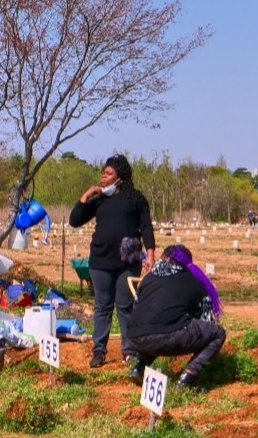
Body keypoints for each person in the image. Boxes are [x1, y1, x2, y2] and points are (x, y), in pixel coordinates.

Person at [69, 155, 155, 370]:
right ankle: (99, 350)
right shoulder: (99, 200)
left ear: (121, 178)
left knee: (125, 306)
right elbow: (74, 220)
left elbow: (146, 227)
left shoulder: (136, 199)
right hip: (100, 260)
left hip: (128, 261)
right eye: (103, 173)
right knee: (102, 307)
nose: (103, 177)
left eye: (109, 174)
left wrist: (151, 254)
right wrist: (86, 196)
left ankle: (129, 351)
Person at [127, 245, 226, 388]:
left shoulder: (148, 279)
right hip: (166, 336)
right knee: (217, 333)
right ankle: (188, 379)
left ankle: (139, 367)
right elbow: (205, 319)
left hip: (134, 337)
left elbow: (137, 308)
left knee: (154, 327)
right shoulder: (193, 281)